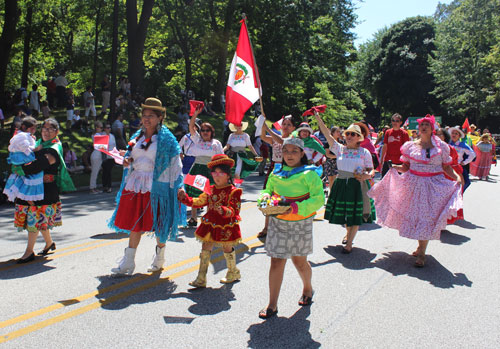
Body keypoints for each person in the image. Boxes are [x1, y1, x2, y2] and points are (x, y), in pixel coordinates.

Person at [368, 115, 462, 267]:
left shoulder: (441, 147)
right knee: (417, 216)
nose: (424, 127)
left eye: (427, 124)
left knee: (427, 216)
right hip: (413, 184)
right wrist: (395, 167)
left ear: (432, 129)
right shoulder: (410, 146)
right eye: (422, 124)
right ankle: (420, 246)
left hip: (433, 185)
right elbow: (406, 166)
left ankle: (422, 253)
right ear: (418, 128)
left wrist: (456, 177)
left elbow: (446, 166)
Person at [108, 97, 183, 274]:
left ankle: (159, 257)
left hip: (157, 186)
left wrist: (178, 186)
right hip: (135, 184)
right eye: (144, 115)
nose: (146, 119)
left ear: (160, 118)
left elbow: (175, 165)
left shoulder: (167, 140)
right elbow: (131, 157)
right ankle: (128, 262)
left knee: (159, 223)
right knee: (136, 223)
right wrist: (126, 160)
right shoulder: (137, 137)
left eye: (151, 115)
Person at [258, 137, 324, 319]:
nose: (289, 155)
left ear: (302, 153)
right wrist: (263, 199)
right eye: (286, 151)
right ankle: (272, 304)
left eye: (294, 151)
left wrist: (296, 208)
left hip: (300, 223)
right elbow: (267, 190)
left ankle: (308, 288)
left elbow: (318, 199)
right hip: (278, 222)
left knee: (299, 262)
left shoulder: (310, 174)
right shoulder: (276, 172)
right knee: (277, 261)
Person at [13, 118, 75, 263]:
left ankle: (29, 252)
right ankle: (49, 243)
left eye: (50, 129)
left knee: (33, 218)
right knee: (38, 218)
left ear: (56, 132)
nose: (46, 132)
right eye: (44, 129)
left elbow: (38, 165)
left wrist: (20, 169)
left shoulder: (54, 148)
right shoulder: (38, 144)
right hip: (31, 186)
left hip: (44, 189)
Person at [178, 154, 243, 287]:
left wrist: (224, 210)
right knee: (205, 248)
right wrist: (185, 198)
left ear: (228, 175)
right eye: (214, 172)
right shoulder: (210, 190)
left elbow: (235, 210)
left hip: (226, 225)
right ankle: (201, 278)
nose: (217, 176)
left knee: (227, 247)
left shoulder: (234, 191)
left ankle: (233, 271)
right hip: (210, 224)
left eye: (221, 173)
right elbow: (198, 202)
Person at [315, 114, 376, 253]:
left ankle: (349, 244)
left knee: (355, 214)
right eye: (348, 133)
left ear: (358, 138)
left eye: (353, 134)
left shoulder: (364, 152)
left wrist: (367, 175)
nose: (349, 136)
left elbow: (371, 169)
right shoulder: (339, 149)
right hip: (341, 183)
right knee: (346, 214)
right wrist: (318, 117)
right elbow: (327, 134)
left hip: (357, 185)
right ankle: (348, 234)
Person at [258, 115, 296, 238]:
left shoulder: (293, 139)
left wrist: (269, 129)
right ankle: (266, 227)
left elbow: (282, 141)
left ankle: (285, 225)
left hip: (286, 169)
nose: (285, 126)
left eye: (289, 125)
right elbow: (263, 137)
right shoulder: (275, 138)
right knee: (268, 196)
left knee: (285, 198)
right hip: (274, 168)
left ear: (293, 128)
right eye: (284, 124)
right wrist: (263, 125)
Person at [185, 107, 224, 227]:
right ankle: (193, 217)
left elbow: (221, 158)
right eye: (203, 130)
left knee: (210, 194)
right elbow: (191, 127)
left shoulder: (216, 143)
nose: (205, 132)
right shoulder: (197, 140)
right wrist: (195, 114)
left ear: (212, 132)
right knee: (195, 193)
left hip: (211, 169)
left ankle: (209, 217)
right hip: (197, 168)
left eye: (208, 130)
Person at [3, 117, 44, 202]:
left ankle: (25, 195)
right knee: (33, 175)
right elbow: (25, 148)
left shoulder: (24, 135)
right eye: (32, 128)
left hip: (22, 158)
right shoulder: (22, 136)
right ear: (25, 127)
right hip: (22, 158)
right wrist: (36, 149)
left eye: (35, 128)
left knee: (24, 177)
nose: (34, 130)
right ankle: (28, 196)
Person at [435, 128, 464, 224]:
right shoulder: (430, 148)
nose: (438, 136)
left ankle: (442, 221)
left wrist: (459, 177)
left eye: (440, 134)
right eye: (436, 134)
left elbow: (455, 165)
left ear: (445, 137)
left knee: (443, 201)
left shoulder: (450, 149)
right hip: (432, 177)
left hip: (446, 177)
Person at [380, 113, 410, 177]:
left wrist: (406, 162)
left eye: (397, 121)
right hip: (388, 161)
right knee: (385, 181)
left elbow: (407, 149)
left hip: (400, 163)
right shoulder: (388, 132)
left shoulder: (404, 133)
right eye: (393, 120)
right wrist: (382, 159)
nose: (394, 122)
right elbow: (385, 146)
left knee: (398, 184)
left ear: (401, 122)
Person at [449, 126, 475, 192]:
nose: (454, 135)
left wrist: (464, 162)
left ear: (459, 136)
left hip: (458, 166)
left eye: (456, 134)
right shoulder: (447, 144)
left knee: (466, 182)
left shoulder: (463, 145)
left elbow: (472, 154)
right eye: (453, 133)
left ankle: (458, 194)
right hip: (447, 167)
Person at [323, 126, 342, 191]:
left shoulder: (341, 142)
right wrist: (337, 156)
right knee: (330, 180)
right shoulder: (327, 143)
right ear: (332, 133)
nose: (339, 133)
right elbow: (327, 154)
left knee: (335, 179)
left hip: (338, 163)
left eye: (339, 132)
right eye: (337, 132)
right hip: (330, 163)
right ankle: (331, 194)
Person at [89, 122, 105, 194]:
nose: (101, 129)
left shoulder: (96, 134)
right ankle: (92, 188)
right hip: (96, 154)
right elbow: (102, 146)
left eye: (102, 127)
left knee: (96, 172)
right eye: (100, 127)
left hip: (97, 154)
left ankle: (94, 187)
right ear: (96, 128)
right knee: (94, 172)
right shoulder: (97, 135)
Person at [102, 123, 117, 193]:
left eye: (109, 128)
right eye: (107, 128)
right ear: (104, 129)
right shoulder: (102, 136)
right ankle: (105, 186)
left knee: (109, 171)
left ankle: (109, 186)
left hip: (111, 156)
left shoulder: (112, 136)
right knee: (105, 172)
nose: (109, 129)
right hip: (105, 156)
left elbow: (114, 146)